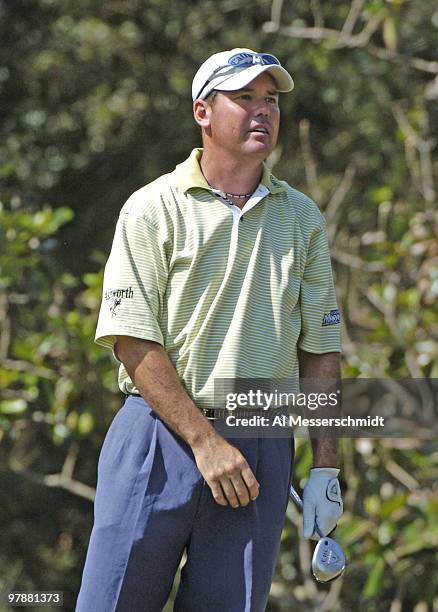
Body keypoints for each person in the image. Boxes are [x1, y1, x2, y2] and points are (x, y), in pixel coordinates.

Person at [76, 48, 343, 612]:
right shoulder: (152, 208)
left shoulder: (301, 217)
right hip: (158, 438)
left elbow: (319, 351)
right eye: (243, 98)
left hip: (259, 444)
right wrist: (205, 442)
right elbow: (132, 341)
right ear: (203, 111)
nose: (262, 113)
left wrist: (325, 466)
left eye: (270, 101)